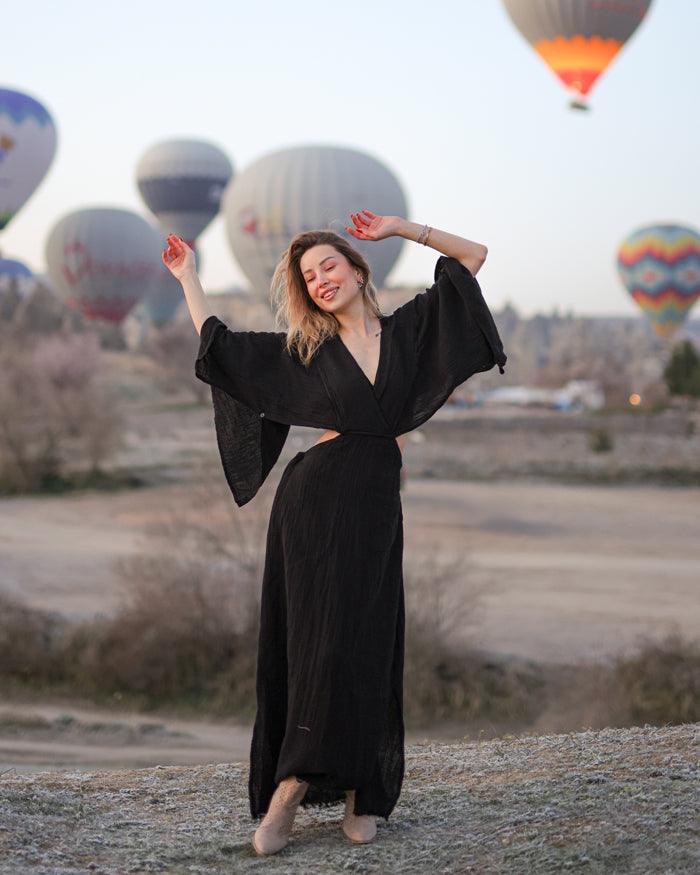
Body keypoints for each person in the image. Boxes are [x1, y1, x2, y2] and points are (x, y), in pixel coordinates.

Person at [162, 211, 507, 856]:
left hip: (377, 504)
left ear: (356, 269)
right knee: (319, 642)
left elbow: (474, 257)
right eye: (307, 275)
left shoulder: (409, 332)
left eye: (329, 265)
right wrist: (189, 277)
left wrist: (404, 227)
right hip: (315, 500)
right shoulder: (307, 353)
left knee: (371, 639)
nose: (320, 279)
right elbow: (222, 350)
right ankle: (287, 791)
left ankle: (363, 793)